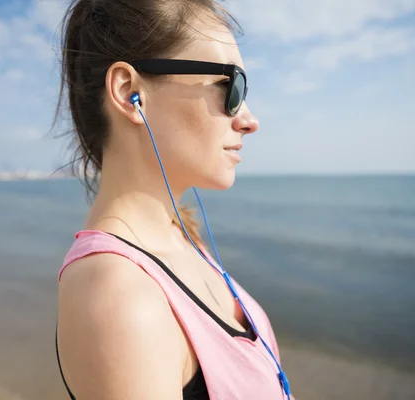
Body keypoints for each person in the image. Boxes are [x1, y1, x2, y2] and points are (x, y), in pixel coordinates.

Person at [55, 1, 293, 399]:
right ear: (130, 93)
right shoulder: (120, 294)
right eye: (229, 86)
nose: (250, 119)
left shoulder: (180, 238)